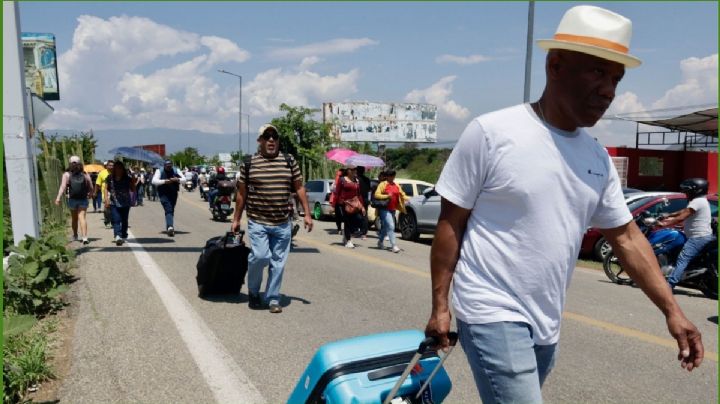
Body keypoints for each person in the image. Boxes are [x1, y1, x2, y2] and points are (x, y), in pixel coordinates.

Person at [424, 6, 703, 403]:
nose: (608, 89)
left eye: (616, 79)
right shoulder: (492, 133)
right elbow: (451, 225)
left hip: (546, 322)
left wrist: (672, 311)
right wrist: (440, 306)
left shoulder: (596, 157)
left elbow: (626, 238)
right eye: (597, 72)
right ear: (555, 65)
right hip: (491, 309)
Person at [231, 124, 313, 314]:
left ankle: (272, 297)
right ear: (259, 141)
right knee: (260, 256)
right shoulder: (249, 163)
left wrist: (307, 214)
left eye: (274, 137)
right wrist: (236, 219)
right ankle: (253, 291)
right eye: (266, 136)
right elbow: (241, 194)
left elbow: (299, 188)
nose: (271, 140)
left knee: (278, 263)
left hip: (282, 223)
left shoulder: (288, 160)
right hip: (258, 221)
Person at [660, 178, 715, 288]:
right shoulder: (701, 201)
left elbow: (683, 216)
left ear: (696, 191)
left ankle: (669, 285)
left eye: (688, 191)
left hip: (698, 237)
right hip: (702, 236)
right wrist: (668, 215)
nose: (686, 194)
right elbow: (683, 211)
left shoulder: (697, 201)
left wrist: (663, 224)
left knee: (682, 259)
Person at [55, 156, 93, 244]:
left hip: (72, 199)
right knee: (82, 218)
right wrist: (90, 194)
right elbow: (90, 185)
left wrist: (58, 198)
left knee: (74, 218)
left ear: (70, 163)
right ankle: (84, 238)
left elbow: (63, 187)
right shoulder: (85, 174)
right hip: (83, 198)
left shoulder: (67, 174)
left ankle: (75, 235)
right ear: (80, 163)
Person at [104, 160, 137, 246]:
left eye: (120, 168)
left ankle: (123, 234)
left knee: (124, 220)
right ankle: (117, 236)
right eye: (116, 168)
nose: (118, 170)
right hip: (113, 202)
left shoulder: (128, 178)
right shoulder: (109, 178)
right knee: (116, 219)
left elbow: (133, 190)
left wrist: (133, 181)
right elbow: (106, 188)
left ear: (123, 169)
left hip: (125, 203)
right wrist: (106, 199)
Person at [373, 169, 407, 253]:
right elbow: (376, 195)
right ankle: (394, 246)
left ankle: (380, 242)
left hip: (393, 209)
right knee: (391, 226)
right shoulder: (382, 184)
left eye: (393, 176)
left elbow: (402, 194)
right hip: (384, 209)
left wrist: (408, 199)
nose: (392, 177)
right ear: (387, 176)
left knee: (385, 227)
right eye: (390, 176)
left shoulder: (396, 185)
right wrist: (387, 196)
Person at [336, 164, 366, 248]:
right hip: (344, 204)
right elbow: (337, 192)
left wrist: (362, 206)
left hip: (355, 204)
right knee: (347, 222)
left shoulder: (356, 180)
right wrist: (336, 204)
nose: (355, 171)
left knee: (359, 219)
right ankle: (348, 240)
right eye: (353, 169)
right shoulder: (342, 180)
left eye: (355, 169)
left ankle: (346, 236)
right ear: (348, 170)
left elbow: (359, 194)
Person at [152, 160, 182, 237]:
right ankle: (170, 227)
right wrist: (165, 181)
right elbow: (154, 181)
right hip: (163, 194)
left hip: (173, 193)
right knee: (168, 209)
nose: (169, 167)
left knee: (171, 209)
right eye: (167, 166)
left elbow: (184, 180)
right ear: (164, 165)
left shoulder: (176, 170)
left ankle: (169, 226)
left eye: (170, 165)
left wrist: (177, 179)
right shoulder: (159, 171)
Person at [94, 160, 114, 228]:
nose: (111, 167)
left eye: (112, 165)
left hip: (115, 194)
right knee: (107, 208)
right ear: (107, 166)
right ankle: (107, 221)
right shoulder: (102, 173)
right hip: (105, 193)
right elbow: (97, 183)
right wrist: (95, 192)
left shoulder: (116, 173)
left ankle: (113, 221)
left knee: (114, 208)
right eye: (110, 165)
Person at [356, 166, 371, 240]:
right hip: (365, 199)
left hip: (358, 199)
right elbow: (369, 190)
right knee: (364, 215)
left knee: (356, 214)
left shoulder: (356, 179)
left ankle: (357, 230)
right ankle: (364, 233)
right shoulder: (367, 179)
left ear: (357, 171)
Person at [330, 168, 347, 235]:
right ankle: (339, 229)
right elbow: (334, 190)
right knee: (339, 216)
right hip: (339, 201)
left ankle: (341, 229)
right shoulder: (338, 180)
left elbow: (334, 190)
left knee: (341, 216)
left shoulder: (343, 180)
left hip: (343, 201)